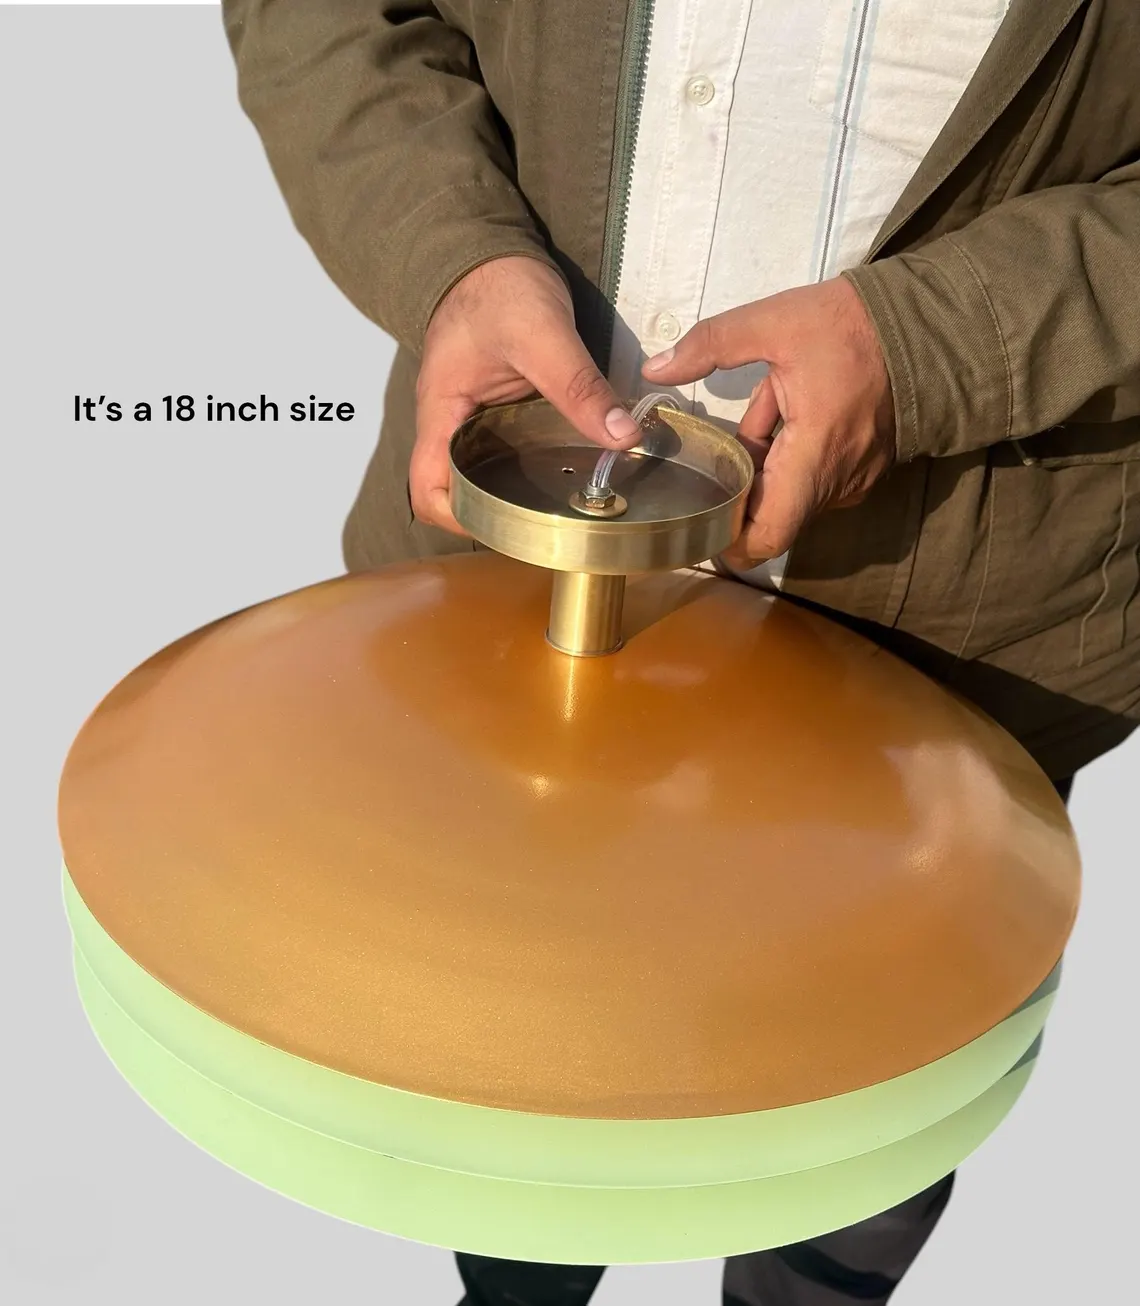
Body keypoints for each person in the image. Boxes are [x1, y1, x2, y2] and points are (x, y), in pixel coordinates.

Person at [222, 1, 1139, 1302]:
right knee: (524, 1086)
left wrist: (930, 345)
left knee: (857, 1125)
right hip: (505, 604)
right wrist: (450, 256)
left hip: (946, 651)